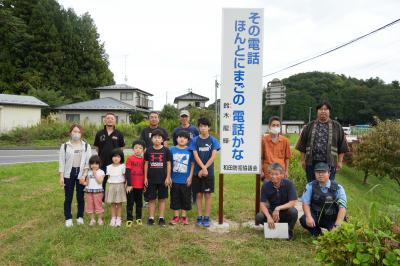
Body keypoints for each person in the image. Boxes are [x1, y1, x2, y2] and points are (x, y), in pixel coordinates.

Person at [296, 102, 349, 182]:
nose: (323, 111)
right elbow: (302, 144)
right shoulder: (309, 126)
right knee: (312, 184)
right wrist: (303, 160)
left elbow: (342, 145)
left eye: (325, 109)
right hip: (311, 162)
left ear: (329, 111)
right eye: (320, 109)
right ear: (317, 111)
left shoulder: (337, 126)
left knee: (328, 186)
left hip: (330, 162)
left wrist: (340, 162)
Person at [299, 162, 347, 236]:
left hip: (332, 218)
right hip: (316, 216)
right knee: (304, 220)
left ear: (329, 173)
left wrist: (337, 225)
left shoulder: (338, 188)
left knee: (338, 234)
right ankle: (318, 234)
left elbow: (342, 207)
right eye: (318, 172)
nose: (320, 174)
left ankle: (332, 231)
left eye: (323, 172)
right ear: (314, 173)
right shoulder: (310, 186)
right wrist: (308, 217)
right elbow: (305, 203)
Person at [189, 117, 220, 227]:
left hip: (209, 172)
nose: (203, 128)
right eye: (201, 126)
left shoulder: (213, 140)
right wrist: (202, 168)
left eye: (205, 126)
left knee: (207, 195)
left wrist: (205, 168)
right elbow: (195, 155)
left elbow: (213, 156)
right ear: (198, 127)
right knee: (198, 195)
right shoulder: (195, 140)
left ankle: (206, 217)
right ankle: (199, 216)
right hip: (197, 172)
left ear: (209, 127)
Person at [58, 124, 91, 227]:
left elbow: (87, 162)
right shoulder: (65, 146)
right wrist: (61, 177)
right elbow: (61, 163)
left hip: (81, 173)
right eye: (74, 131)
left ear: (81, 134)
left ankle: (80, 216)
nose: (76, 134)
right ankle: (68, 218)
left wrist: (84, 175)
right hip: (69, 174)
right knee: (68, 197)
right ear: (70, 132)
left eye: (78, 132)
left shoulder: (86, 146)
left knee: (80, 196)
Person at [255, 163, 298, 240]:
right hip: (272, 213)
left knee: (293, 211)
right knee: (259, 216)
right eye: (271, 174)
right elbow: (262, 204)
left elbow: (293, 202)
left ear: (282, 175)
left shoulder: (289, 184)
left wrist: (278, 208)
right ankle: (272, 227)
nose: (273, 176)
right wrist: (268, 217)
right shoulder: (265, 186)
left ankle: (289, 230)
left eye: (276, 174)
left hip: (285, 212)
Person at [94, 112, 125, 200]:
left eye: (112, 118)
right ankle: (101, 199)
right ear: (105, 120)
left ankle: (116, 199)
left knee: (116, 181)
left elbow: (122, 147)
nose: (110, 120)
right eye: (108, 118)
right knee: (102, 181)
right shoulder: (99, 133)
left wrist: (117, 158)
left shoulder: (119, 133)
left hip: (115, 163)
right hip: (102, 161)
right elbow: (97, 147)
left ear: (115, 121)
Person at [144, 129, 172, 226]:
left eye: (159, 137)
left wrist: (168, 177)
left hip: (163, 179)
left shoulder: (166, 150)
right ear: (151, 139)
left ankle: (161, 217)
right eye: (155, 137)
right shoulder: (148, 150)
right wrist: (145, 178)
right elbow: (146, 164)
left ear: (162, 140)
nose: (157, 139)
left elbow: (168, 164)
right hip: (151, 179)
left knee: (162, 199)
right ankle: (151, 218)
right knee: (151, 199)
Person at [169, 131, 195, 225]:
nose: (182, 139)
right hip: (174, 180)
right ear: (176, 138)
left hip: (185, 180)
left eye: (184, 137)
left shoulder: (190, 150)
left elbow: (192, 164)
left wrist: (190, 177)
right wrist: (169, 177)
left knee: (185, 198)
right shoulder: (172, 149)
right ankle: (176, 216)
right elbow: (169, 164)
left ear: (188, 140)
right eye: (180, 137)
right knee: (175, 198)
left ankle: (184, 216)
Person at [261, 116, 291, 181]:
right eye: (273, 125)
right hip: (268, 172)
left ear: (280, 127)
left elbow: (287, 158)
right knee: (268, 190)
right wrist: (261, 171)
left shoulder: (285, 140)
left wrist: (286, 171)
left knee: (281, 190)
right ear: (269, 126)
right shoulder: (263, 140)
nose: (275, 127)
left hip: (280, 172)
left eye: (277, 125)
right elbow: (261, 158)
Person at [125, 140, 146, 227]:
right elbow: (127, 172)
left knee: (139, 203)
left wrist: (144, 185)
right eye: (136, 148)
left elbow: (145, 173)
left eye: (140, 148)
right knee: (130, 203)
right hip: (131, 186)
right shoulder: (130, 158)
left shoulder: (145, 160)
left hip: (140, 186)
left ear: (144, 150)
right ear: (133, 149)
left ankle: (138, 218)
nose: (138, 149)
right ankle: (129, 219)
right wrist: (129, 184)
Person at [105, 148, 126, 227]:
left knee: (119, 203)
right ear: (111, 157)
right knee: (113, 203)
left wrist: (126, 185)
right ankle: (113, 218)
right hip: (111, 186)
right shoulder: (108, 167)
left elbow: (125, 177)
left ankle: (119, 218)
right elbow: (108, 177)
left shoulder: (123, 166)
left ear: (121, 158)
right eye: (114, 156)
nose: (116, 158)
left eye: (118, 156)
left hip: (120, 185)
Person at [82, 155, 105, 226]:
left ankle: (100, 219)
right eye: (92, 164)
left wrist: (95, 175)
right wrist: (83, 182)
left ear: (99, 164)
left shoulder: (101, 172)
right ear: (90, 164)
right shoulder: (89, 172)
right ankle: (92, 219)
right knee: (90, 206)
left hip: (97, 192)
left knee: (98, 205)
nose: (94, 165)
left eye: (96, 164)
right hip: (89, 192)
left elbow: (100, 181)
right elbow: (87, 182)